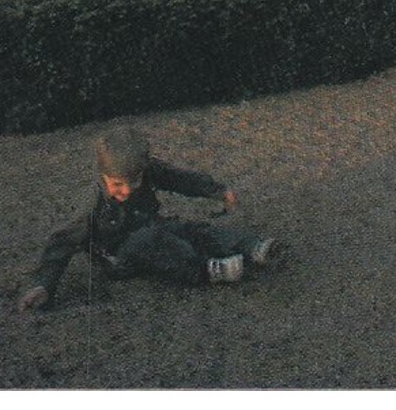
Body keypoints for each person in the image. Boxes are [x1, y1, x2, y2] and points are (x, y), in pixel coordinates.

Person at [18, 127, 275, 311]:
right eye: (118, 184)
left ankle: (251, 246)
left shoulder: (147, 171)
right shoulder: (91, 206)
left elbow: (179, 179)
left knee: (187, 229)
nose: (127, 190)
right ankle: (207, 269)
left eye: (135, 181)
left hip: (150, 227)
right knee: (152, 240)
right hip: (119, 257)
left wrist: (217, 191)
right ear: (103, 175)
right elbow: (60, 243)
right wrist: (43, 285)